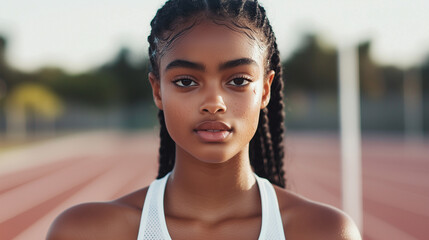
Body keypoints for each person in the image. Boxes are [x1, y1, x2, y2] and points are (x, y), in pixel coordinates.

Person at [47, 0, 362, 239]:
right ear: (157, 90)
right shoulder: (87, 231)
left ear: (265, 90)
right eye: (186, 81)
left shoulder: (324, 232)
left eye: (238, 80)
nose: (214, 103)